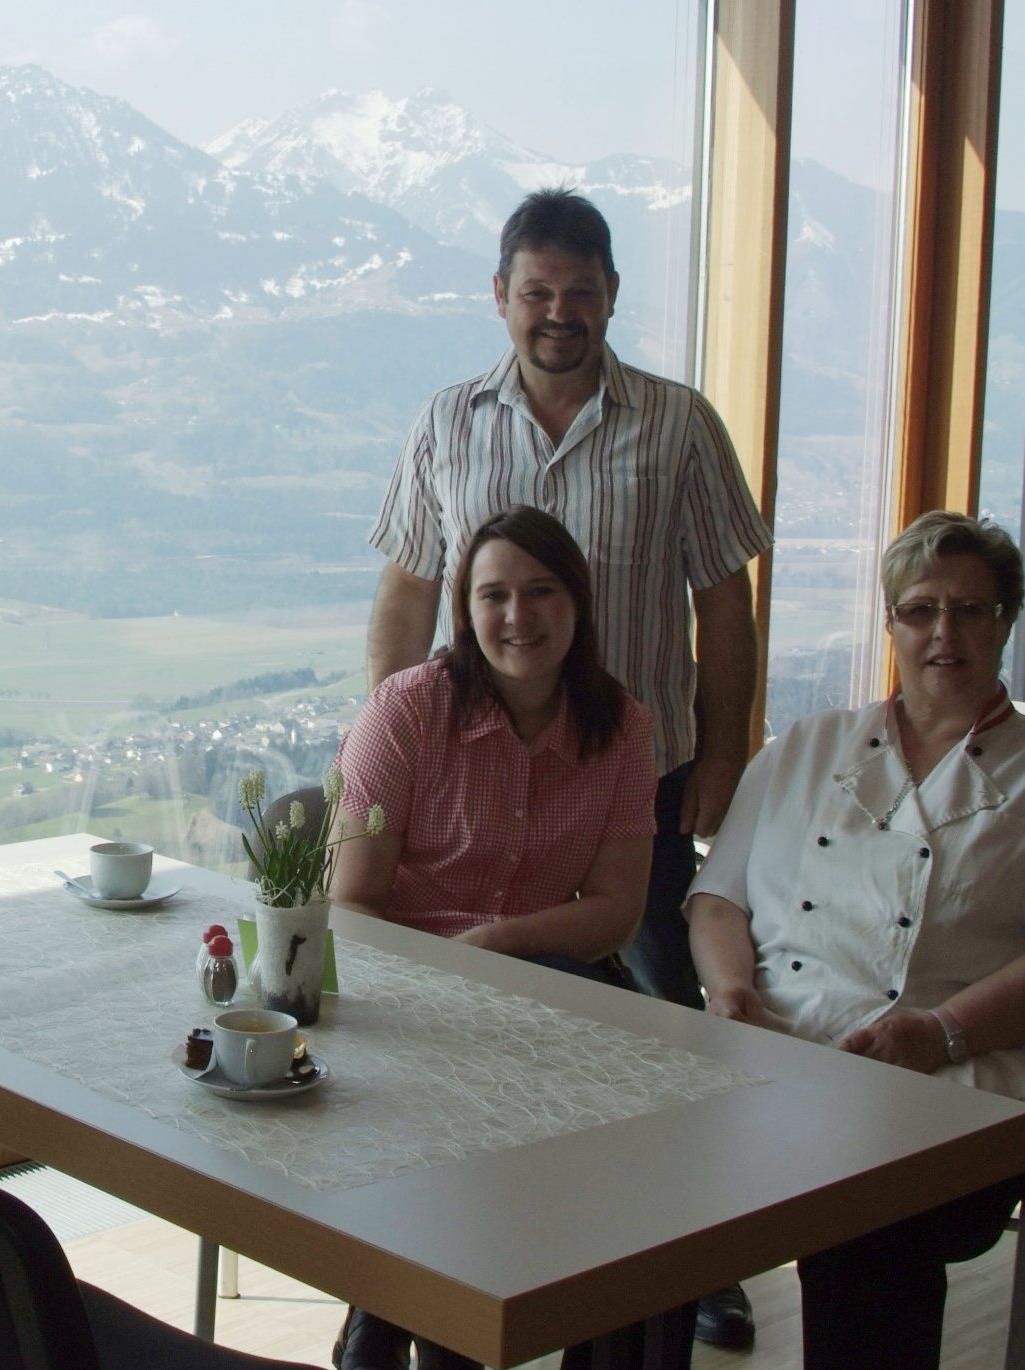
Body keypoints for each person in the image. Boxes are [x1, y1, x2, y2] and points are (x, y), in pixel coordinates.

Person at [365, 187, 771, 1348]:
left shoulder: (678, 421)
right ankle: (465, 1229)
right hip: (467, 778)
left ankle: (695, 1255)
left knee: (660, 1019)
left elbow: (721, 604)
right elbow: (404, 587)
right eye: (535, 292)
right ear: (499, 298)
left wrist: (726, 754)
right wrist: (379, 756)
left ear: (609, 299)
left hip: (629, 778)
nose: (557, 313)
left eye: (578, 293)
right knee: (459, 1012)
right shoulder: (446, 419)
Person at [328, 508, 690, 1370]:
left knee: (656, 1177)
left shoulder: (624, 727)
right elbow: (352, 903)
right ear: (465, 608)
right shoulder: (409, 710)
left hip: (545, 987)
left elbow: (616, 909)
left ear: (578, 604)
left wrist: (495, 946)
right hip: (407, 999)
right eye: (494, 595)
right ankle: (412, 1311)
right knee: (467, 1176)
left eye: (541, 592)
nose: (518, 617)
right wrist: (454, 974)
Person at [685, 510, 1025, 1370]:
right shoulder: (808, 747)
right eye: (920, 610)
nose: (943, 632)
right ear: (891, 624)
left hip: (952, 1078)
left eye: (970, 610)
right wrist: (731, 993)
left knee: (869, 1218)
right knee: (628, 1194)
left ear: (1006, 624)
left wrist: (939, 1032)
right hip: (776, 1054)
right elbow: (718, 900)